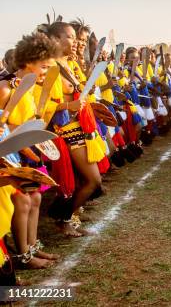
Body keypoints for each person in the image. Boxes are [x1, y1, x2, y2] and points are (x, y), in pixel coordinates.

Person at [0, 33, 61, 268]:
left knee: (35, 197)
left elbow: (26, 125)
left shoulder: (29, 88)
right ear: (28, 62)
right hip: (8, 155)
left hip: (19, 152)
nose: (46, 72)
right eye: (43, 67)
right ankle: (22, 255)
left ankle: (33, 246)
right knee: (23, 201)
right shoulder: (5, 89)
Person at [45, 21, 103, 237]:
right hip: (67, 130)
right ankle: (64, 219)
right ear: (56, 40)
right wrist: (68, 105)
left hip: (82, 126)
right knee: (93, 180)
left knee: (87, 180)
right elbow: (41, 107)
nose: (76, 41)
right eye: (70, 36)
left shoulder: (67, 64)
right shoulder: (49, 67)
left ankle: (69, 217)